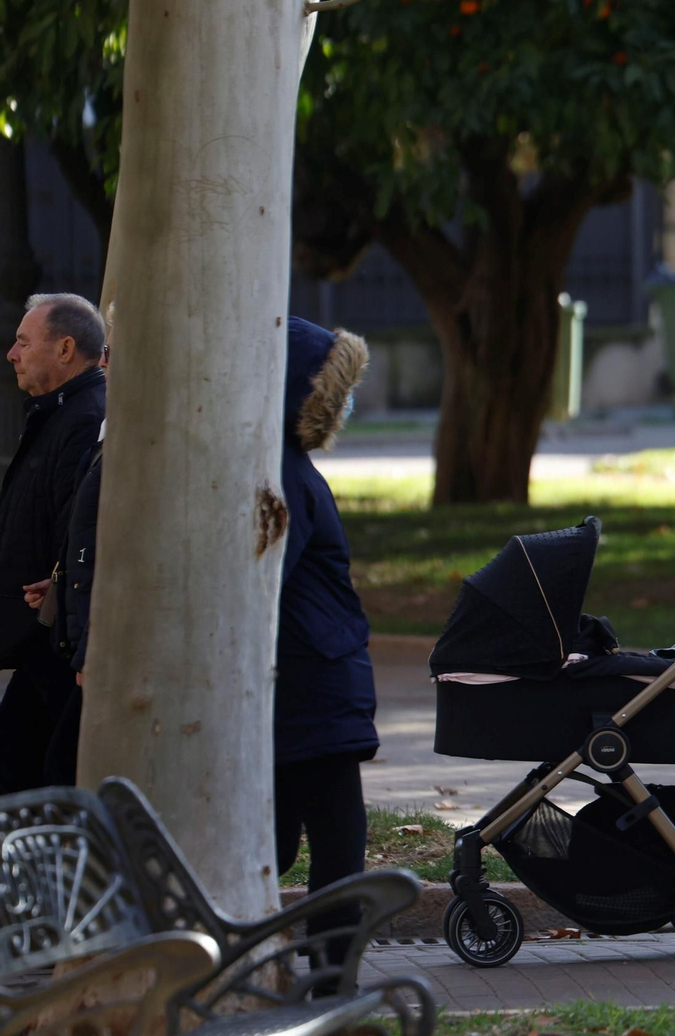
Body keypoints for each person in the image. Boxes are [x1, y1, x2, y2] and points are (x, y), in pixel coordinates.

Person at [275, 316, 379, 958]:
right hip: (313, 675)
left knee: (327, 836)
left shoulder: (285, 471)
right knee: (319, 836)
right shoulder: (287, 469)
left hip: (311, 678)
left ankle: (329, 970)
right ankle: (328, 971)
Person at [0, 293, 106, 793]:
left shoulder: (84, 417)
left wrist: (59, 584)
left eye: (23, 342)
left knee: (40, 776)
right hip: (44, 632)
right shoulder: (56, 412)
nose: (12, 354)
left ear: (65, 349)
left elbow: (80, 527)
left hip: (56, 638)